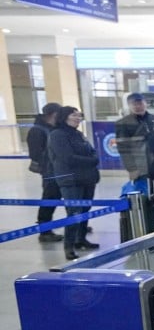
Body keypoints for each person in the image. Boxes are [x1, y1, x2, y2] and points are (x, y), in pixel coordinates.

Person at [47, 106, 101, 261]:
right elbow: (67, 158)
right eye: (74, 115)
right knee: (74, 212)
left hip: (87, 179)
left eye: (79, 115)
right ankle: (69, 246)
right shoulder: (57, 135)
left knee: (85, 209)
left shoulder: (78, 134)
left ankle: (81, 239)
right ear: (64, 117)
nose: (78, 118)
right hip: (71, 181)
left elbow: (92, 150)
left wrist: (92, 159)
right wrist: (91, 161)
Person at [114, 93, 154, 229]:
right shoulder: (123, 123)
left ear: (145, 103)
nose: (138, 106)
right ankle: (146, 227)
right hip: (140, 168)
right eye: (134, 103)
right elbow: (123, 148)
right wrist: (131, 168)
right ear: (129, 105)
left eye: (140, 103)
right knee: (143, 198)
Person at [27, 102, 64, 243]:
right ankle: (45, 231)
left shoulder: (52, 128)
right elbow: (36, 153)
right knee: (50, 199)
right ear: (54, 114)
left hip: (60, 169)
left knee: (66, 198)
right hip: (50, 172)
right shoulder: (38, 130)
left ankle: (75, 224)